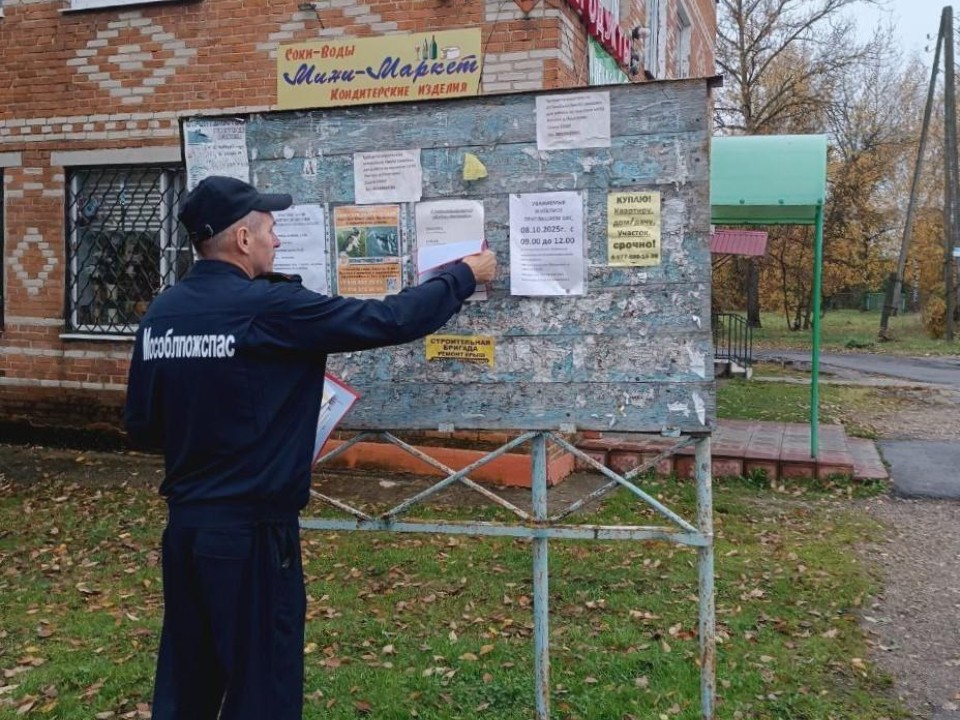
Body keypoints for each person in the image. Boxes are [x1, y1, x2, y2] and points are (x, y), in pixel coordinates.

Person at [124, 175, 496, 719]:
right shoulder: (269, 307)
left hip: (186, 532)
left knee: (188, 686)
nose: (277, 241)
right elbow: (388, 319)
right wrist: (463, 275)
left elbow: (143, 426)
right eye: (271, 230)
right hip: (251, 536)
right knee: (263, 690)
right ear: (243, 240)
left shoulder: (162, 315)